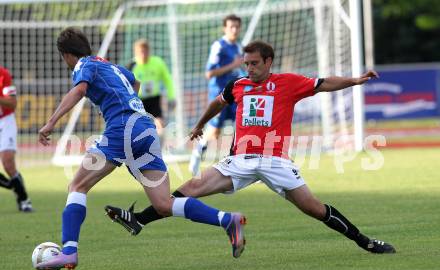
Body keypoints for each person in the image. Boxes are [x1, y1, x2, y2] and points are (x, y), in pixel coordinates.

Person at [106, 41, 396, 254]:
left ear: (268, 62)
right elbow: (218, 102)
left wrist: (356, 81)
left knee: (315, 209)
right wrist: (200, 125)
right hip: (241, 159)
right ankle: (140, 220)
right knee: (189, 188)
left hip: (275, 160)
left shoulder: (288, 83)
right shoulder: (238, 85)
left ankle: (366, 242)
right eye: (247, 63)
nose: (249, 68)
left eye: (254, 63)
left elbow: (322, 83)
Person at [35, 27, 247, 270]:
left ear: (66, 55)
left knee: (77, 186)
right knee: (163, 204)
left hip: (122, 127)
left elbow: (80, 90)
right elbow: (135, 81)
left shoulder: (84, 65)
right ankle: (227, 220)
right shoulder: (111, 66)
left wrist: (51, 122)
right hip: (145, 126)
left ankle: (69, 252)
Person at [189, 14, 244, 176]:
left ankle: (249, 166)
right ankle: (196, 156)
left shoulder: (239, 47)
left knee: (243, 127)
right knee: (214, 133)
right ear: (225, 28)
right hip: (220, 95)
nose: (234, 29)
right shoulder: (218, 46)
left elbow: (239, 70)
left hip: (236, 95)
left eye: (237, 26)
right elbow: (209, 73)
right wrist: (232, 65)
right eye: (231, 26)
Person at [0, 65, 33, 212]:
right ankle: (11, 184)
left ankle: (24, 199)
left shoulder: (3, 74)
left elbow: (12, 104)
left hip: (5, 121)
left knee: (8, 162)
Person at [127, 39, 175, 138]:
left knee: (160, 125)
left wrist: (171, 97)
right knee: (139, 129)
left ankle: (159, 149)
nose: (143, 54)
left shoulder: (158, 62)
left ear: (149, 51)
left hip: (154, 99)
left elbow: (168, 80)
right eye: (141, 52)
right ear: (136, 53)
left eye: (145, 51)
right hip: (139, 101)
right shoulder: (131, 66)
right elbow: (125, 85)